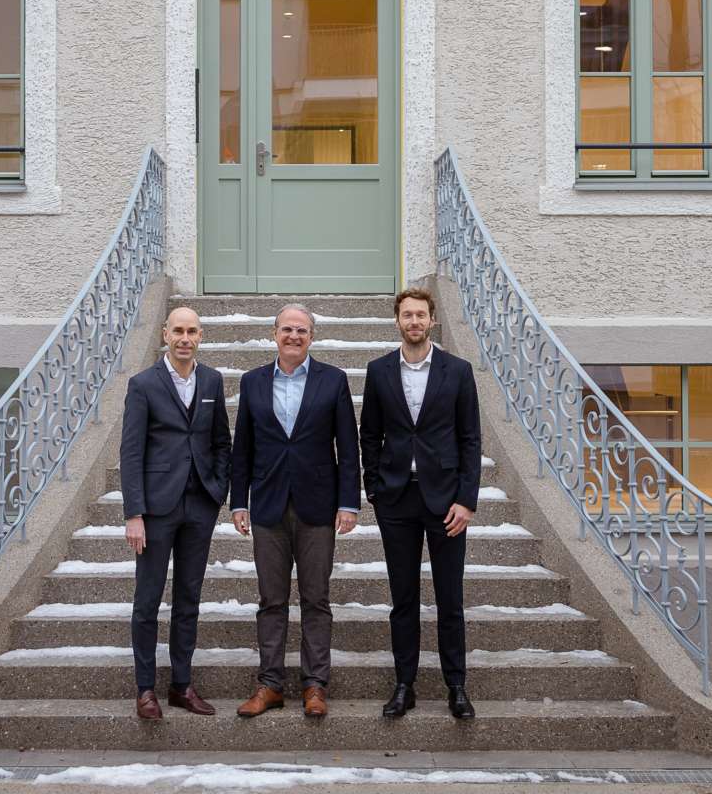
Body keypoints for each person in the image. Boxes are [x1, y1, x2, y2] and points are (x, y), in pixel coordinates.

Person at [230, 303, 360, 719]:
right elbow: (242, 448)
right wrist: (238, 501)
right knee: (271, 600)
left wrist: (349, 502)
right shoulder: (251, 383)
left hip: (318, 507)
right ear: (274, 334)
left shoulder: (333, 381)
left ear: (312, 337)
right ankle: (269, 684)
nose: (294, 336)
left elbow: (348, 446)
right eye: (287, 329)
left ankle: (315, 685)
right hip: (267, 506)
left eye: (302, 330)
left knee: (316, 599)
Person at [359, 286, 482, 720]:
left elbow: (470, 439)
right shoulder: (379, 371)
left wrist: (467, 500)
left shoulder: (458, 371)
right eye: (407, 315)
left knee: (450, 599)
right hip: (397, 499)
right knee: (403, 599)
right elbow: (368, 434)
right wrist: (373, 487)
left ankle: (457, 686)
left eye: (421, 315)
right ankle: (404, 684)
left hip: (446, 502)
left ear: (432, 321)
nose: (414, 322)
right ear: (397, 320)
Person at [119, 306, 232, 720]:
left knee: (189, 599)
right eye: (178, 331)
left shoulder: (212, 381)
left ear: (200, 336)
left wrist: (217, 491)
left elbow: (221, 440)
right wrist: (134, 513)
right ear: (165, 334)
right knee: (147, 601)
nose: (185, 338)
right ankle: (145, 688)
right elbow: (131, 453)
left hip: (198, 505)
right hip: (155, 510)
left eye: (192, 331)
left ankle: (182, 685)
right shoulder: (143, 384)